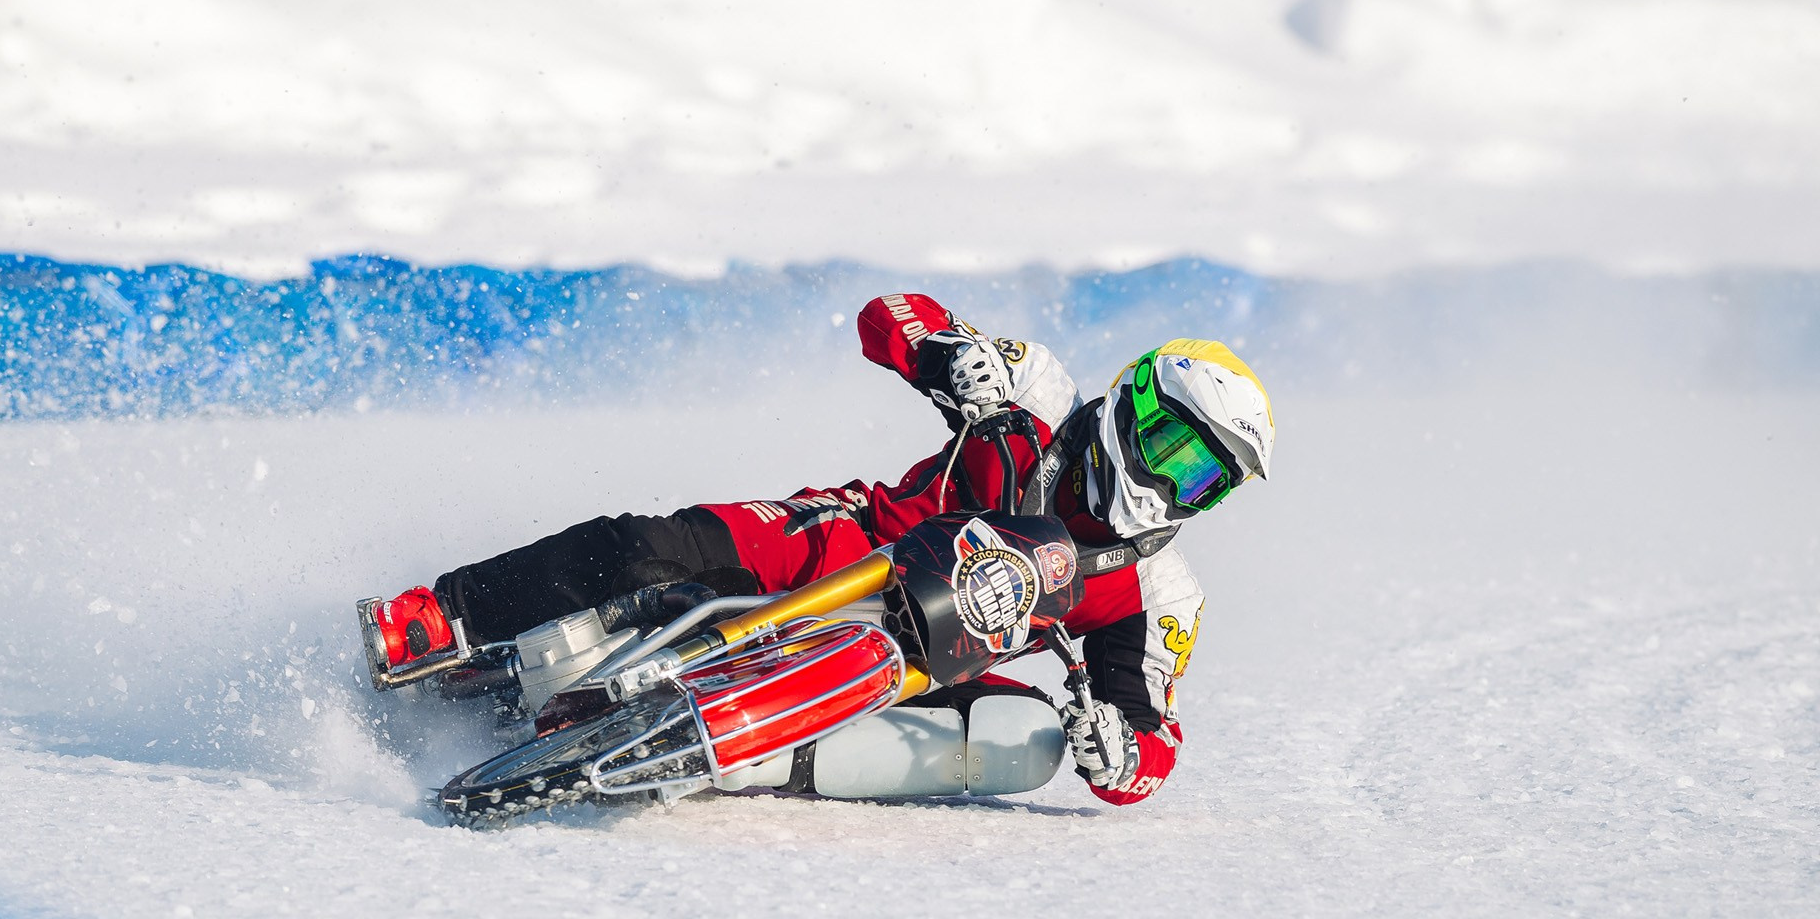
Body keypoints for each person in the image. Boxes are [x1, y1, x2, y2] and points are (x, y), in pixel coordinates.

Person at [372, 293, 1273, 806]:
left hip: (936, 663)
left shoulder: (1162, 592)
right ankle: (441, 616)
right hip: (853, 542)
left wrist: (1118, 750)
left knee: (1023, 737)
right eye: (1175, 446)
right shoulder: (1038, 390)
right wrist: (949, 353)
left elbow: (1153, 737)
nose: (1173, 482)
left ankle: (751, 760)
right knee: (656, 545)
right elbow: (890, 315)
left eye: (1205, 479)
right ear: (1135, 404)